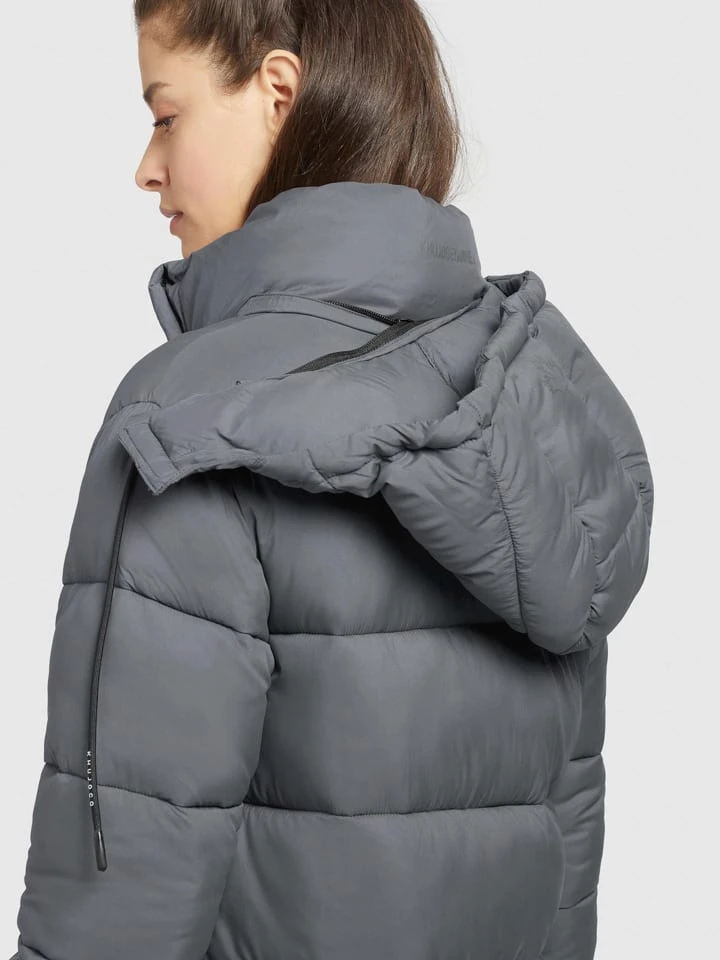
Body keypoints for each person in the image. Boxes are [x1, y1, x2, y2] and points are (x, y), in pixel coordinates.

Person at [8, 2, 654, 959]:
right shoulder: (528, 403)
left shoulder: (191, 418)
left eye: (167, 115)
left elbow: (123, 897)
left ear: (277, 91)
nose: (147, 167)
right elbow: (566, 865)